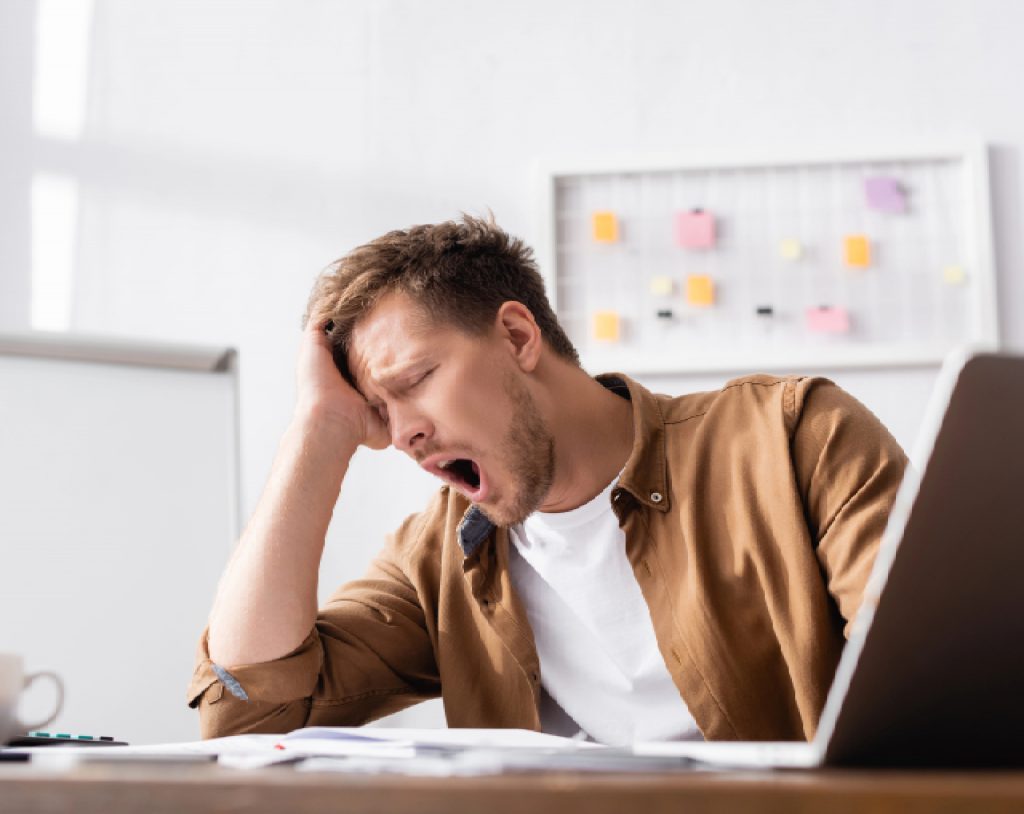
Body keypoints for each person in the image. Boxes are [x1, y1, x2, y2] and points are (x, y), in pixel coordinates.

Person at [188, 215, 907, 745]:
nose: (401, 433)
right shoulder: (435, 555)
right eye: (376, 412)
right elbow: (249, 712)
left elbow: (929, 688)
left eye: (414, 382)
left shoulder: (792, 438)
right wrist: (318, 431)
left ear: (517, 337)